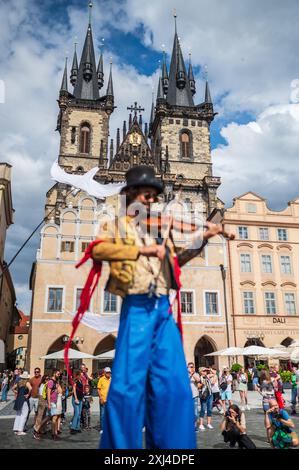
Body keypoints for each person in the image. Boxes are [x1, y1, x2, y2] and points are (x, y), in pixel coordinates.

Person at [90, 166, 229, 449]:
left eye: (155, 196)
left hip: (163, 310)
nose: (152, 201)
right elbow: (98, 250)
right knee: (127, 389)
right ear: (130, 196)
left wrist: (205, 237)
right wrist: (141, 250)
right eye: (146, 195)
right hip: (137, 307)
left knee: (175, 389)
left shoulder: (161, 231)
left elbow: (177, 261)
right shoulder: (116, 225)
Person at [257, 369, 276, 443]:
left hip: (266, 401)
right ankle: (274, 437)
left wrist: (258, 390)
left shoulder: (264, 382)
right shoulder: (272, 379)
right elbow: (275, 389)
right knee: (274, 419)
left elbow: (264, 394)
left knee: (268, 421)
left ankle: (269, 439)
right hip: (273, 401)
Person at [12, 371, 32, 436]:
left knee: (18, 414)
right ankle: (20, 430)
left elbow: (12, 388)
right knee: (24, 415)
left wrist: (17, 392)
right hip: (23, 400)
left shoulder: (19, 382)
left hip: (18, 399)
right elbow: (30, 388)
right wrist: (28, 394)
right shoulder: (27, 382)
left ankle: (16, 429)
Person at [33, 374, 50, 440]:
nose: (47, 380)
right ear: (44, 379)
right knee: (40, 417)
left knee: (43, 416)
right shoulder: (43, 385)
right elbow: (41, 394)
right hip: (42, 400)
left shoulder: (44, 385)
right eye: (46, 379)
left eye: (48, 379)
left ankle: (42, 429)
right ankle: (36, 430)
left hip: (43, 400)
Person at [47, 369, 61, 440]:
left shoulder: (55, 382)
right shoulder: (51, 381)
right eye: (58, 374)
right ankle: (53, 434)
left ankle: (54, 433)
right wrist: (49, 403)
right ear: (54, 373)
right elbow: (48, 393)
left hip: (54, 401)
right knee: (54, 418)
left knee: (52, 418)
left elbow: (59, 391)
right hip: (52, 402)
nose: (59, 375)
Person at [97, 367, 111, 432]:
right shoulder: (101, 379)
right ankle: (102, 428)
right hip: (103, 400)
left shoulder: (112, 379)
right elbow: (98, 389)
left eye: (110, 372)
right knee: (102, 415)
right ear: (105, 373)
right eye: (108, 372)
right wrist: (101, 398)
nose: (109, 374)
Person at [70, 370, 84, 435]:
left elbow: (81, 390)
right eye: (81, 375)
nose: (82, 376)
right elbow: (74, 389)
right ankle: (72, 428)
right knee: (77, 413)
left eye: (82, 375)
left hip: (80, 399)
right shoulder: (76, 381)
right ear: (78, 375)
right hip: (76, 399)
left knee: (79, 414)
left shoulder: (81, 381)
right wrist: (75, 398)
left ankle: (77, 428)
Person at [187, 362, 200, 430]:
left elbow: (198, 380)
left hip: (194, 395)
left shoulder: (196, 374)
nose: (191, 368)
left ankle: (195, 426)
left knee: (195, 412)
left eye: (192, 367)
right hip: (187, 396)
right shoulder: (185, 374)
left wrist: (192, 373)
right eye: (190, 367)